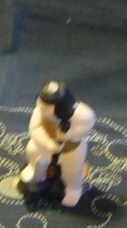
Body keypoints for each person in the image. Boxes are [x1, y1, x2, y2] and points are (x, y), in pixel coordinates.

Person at [19, 80, 95, 208]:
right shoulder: (40, 111)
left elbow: (88, 123)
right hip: (46, 146)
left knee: (72, 171)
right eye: (41, 102)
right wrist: (48, 143)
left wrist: (69, 133)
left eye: (47, 106)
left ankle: (73, 189)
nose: (42, 107)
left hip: (71, 149)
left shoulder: (80, 115)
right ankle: (36, 172)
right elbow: (34, 129)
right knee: (33, 150)